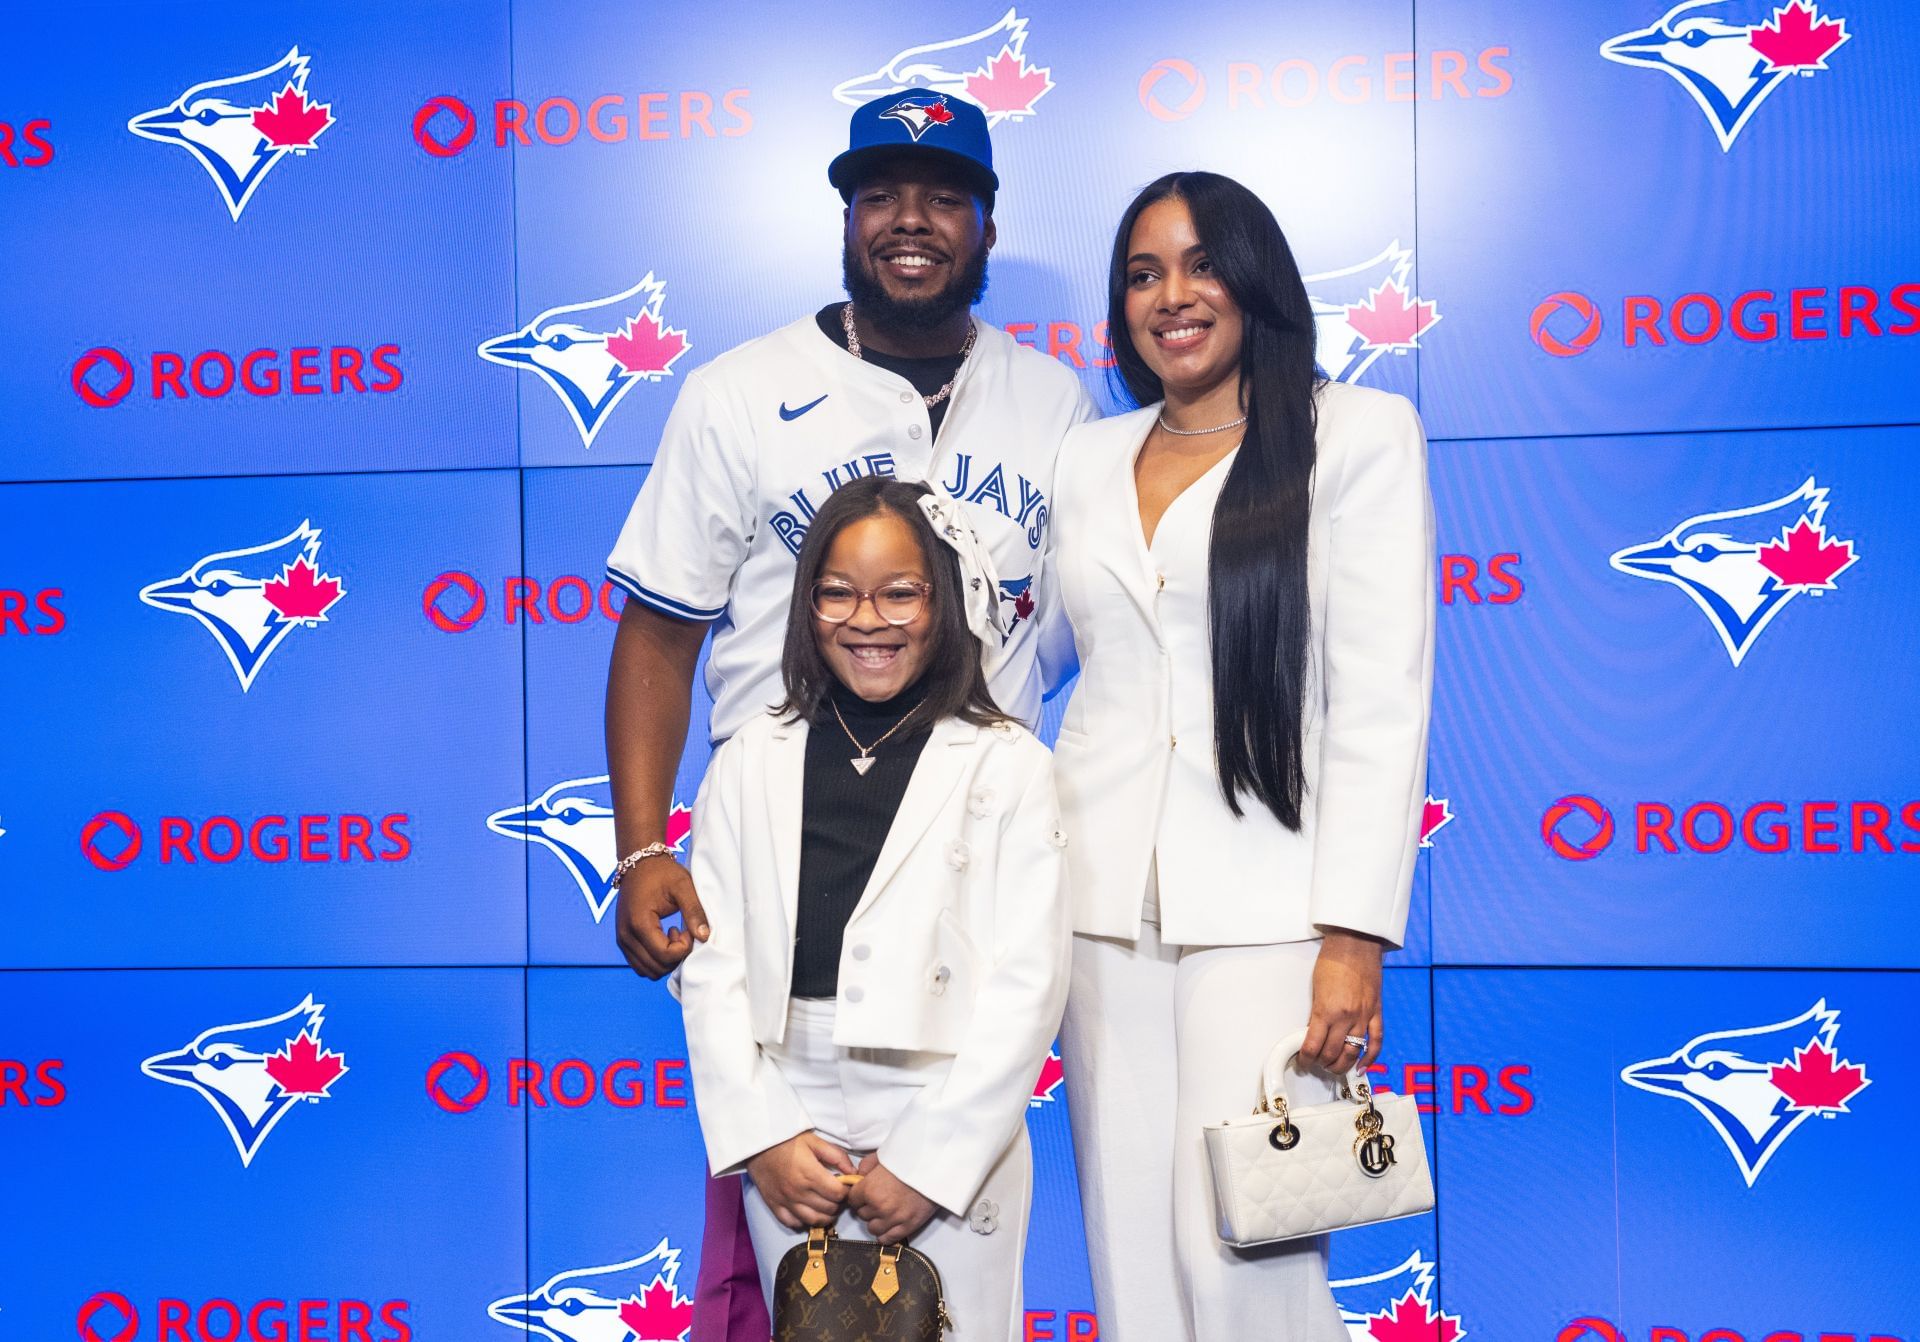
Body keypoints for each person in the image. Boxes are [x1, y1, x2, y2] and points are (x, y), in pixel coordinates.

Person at [602, 93, 1091, 1339]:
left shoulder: (1057, 407)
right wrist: (645, 842)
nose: (910, 222)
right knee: (800, 1305)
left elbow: (1119, 639)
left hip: (970, 883)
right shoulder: (737, 393)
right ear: (846, 218)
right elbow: (659, 633)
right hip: (777, 888)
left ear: (987, 223)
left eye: (942, 196)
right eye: (882, 195)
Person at [1046, 171, 1435, 1339]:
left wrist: (1353, 937)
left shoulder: (1355, 433)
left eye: (1202, 263)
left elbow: (1379, 701)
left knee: (1242, 1260)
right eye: (1143, 272)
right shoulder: (1085, 457)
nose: (1173, 294)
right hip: (1099, 909)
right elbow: (1024, 664)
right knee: (1130, 1264)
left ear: (1254, 278)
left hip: (1274, 914)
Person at [677, 476, 1070, 1333]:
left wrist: (935, 1159)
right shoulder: (748, 760)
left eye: (900, 593)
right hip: (794, 1109)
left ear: (945, 600)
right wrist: (764, 1137)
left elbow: (1028, 985)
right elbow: (712, 965)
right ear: (805, 604)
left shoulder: (1008, 764)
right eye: (838, 593)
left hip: (947, 1099)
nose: (869, 619)